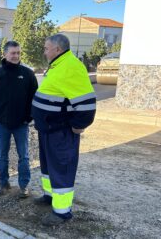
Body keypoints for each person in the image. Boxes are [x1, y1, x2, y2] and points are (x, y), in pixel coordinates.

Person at [31, 34, 96, 226]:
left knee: (61, 168)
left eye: (46, 48)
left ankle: (61, 212)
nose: (44, 51)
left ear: (57, 49)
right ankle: (50, 196)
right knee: (49, 167)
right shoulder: (58, 64)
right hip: (48, 129)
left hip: (61, 131)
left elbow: (87, 105)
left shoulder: (71, 67)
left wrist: (78, 126)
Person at [0, 41, 38, 198]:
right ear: (5, 54)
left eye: (18, 53)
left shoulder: (28, 74)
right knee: (2, 155)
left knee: (24, 156)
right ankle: (3, 184)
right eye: (13, 53)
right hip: (2, 125)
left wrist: (28, 118)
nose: (16, 56)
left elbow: (34, 99)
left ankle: (23, 186)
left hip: (22, 124)